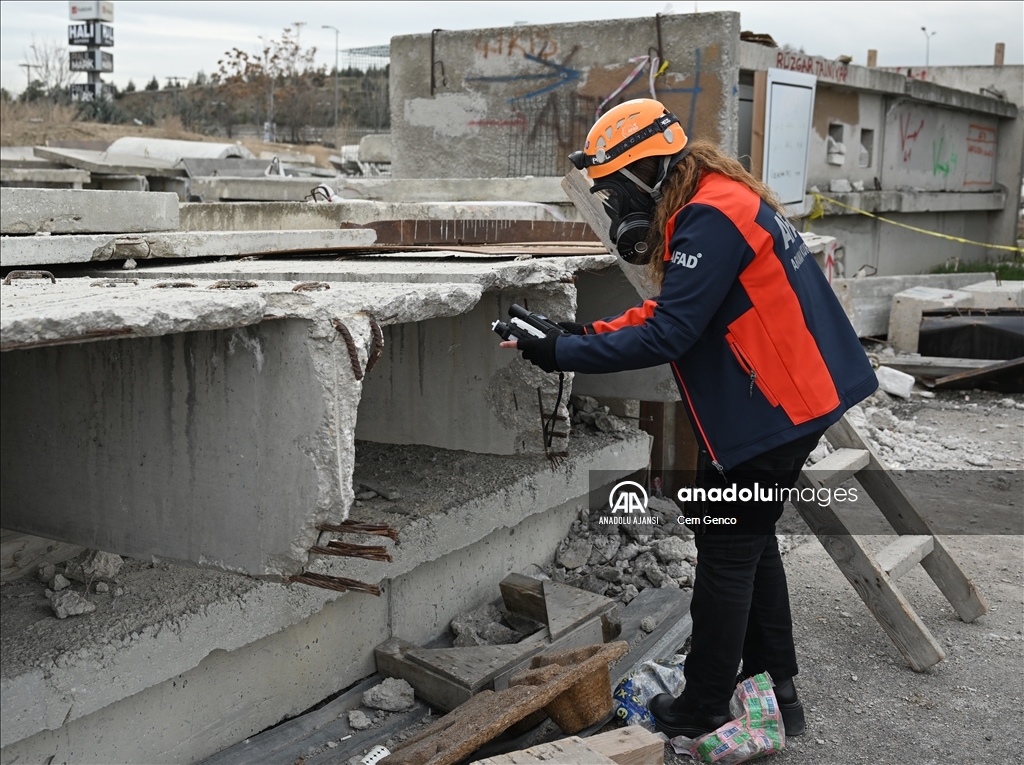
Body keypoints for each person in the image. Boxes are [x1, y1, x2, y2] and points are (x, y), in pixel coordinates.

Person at [501, 98, 877, 739]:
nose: (616, 206)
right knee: (749, 545)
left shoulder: (710, 217)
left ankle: (703, 704)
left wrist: (561, 352)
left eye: (616, 189)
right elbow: (670, 311)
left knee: (728, 552)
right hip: (787, 397)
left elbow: (669, 334)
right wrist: (578, 330)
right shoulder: (716, 197)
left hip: (774, 407)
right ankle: (777, 692)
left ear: (649, 170)